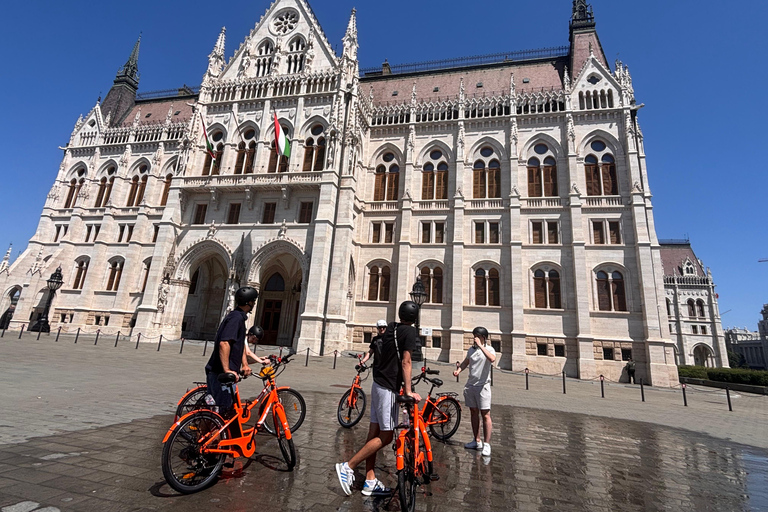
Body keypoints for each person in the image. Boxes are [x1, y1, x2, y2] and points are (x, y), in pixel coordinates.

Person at [336, 303, 422, 497]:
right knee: (386, 436)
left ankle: (370, 480)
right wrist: (408, 391)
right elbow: (406, 361)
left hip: (377, 384)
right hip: (389, 388)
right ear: (415, 316)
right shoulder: (409, 332)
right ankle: (348, 466)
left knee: (373, 433)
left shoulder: (392, 327)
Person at [204, 286, 259, 417]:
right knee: (221, 417)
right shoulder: (236, 319)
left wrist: (245, 364)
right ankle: (211, 436)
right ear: (249, 302)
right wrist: (227, 370)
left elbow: (238, 347)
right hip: (221, 374)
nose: (254, 303)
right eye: (253, 301)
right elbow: (224, 343)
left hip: (219, 372)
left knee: (215, 415)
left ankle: (204, 434)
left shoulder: (237, 317)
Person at [453, 326, 496, 457]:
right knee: (473, 412)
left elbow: (492, 359)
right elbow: (466, 362)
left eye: (477, 335)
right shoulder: (471, 350)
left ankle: (487, 444)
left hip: (483, 386)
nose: (474, 338)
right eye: (474, 335)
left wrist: (481, 346)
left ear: (483, 337)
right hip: (471, 385)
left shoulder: (489, 349)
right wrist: (459, 370)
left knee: (485, 414)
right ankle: (476, 440)